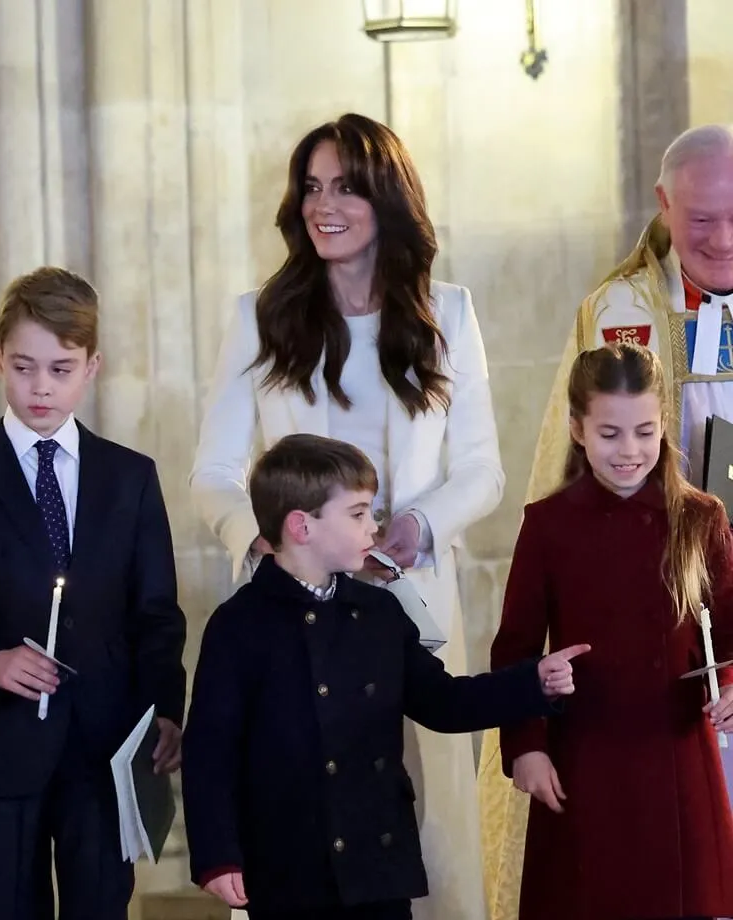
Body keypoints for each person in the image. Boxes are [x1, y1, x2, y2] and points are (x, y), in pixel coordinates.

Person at [189, 114, 503, 920]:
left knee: (424, 831)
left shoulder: (449, 314)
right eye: (312, 187)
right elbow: (214, 471)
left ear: (386, 198)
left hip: (410, 599)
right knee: (307, 818)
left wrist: (416, 527)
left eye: (345, 187)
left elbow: (481, 470)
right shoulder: (261, 316)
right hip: (296, 608)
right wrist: (256, 533)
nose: (323, 205)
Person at [478, 124, 733, 920]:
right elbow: (524, 630)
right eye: (700, 220)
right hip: (655, 617)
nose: (722, 239)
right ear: (664, 208)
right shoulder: (620, 312)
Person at [182, 433, 586, 920]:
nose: (372, 528)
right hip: (288, 865)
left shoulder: (377, 612)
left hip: (376, 859)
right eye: (357, 514)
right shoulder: (238, 626)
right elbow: (210, 751)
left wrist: (532, 683)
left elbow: (443, 701)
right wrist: (217, 856)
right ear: (301, 526)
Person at [0, 266, 187, 920]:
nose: (40, 387)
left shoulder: (131, 479)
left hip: (104, 747)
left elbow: (157, 616)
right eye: (24, 367)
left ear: (92, 367)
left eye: (60, 369)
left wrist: (164, 710)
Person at [491, 343, 733, 920]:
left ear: (663, 425)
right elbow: (515, 647)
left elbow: (728, 629)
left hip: (677, 757)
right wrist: (525, 748)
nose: (629, 451)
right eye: (610, 434)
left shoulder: (699, 518)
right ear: (577, 429)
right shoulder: (547, 525)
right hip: (584, 760)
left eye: (645, 432)